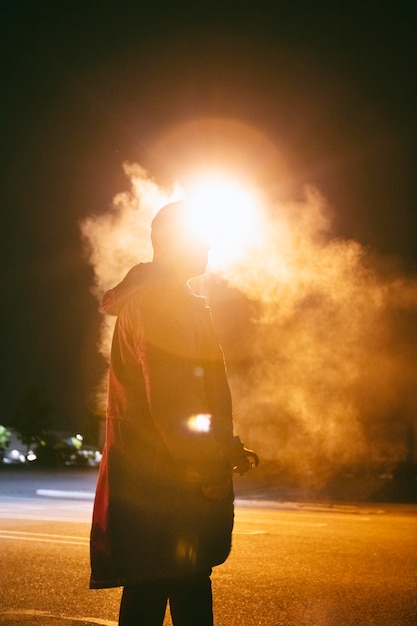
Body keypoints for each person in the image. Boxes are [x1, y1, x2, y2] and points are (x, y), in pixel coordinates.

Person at [90, 200, 258, 625]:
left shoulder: (167, 300)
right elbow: (175, 401)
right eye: (199, 239)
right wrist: (206, 468)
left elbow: (188, 397)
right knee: (181, 589)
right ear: (172, 243)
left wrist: (225, 445)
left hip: (158, 481)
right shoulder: (160, 304)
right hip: (168, 485)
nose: (207, 247)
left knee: (153, 590)